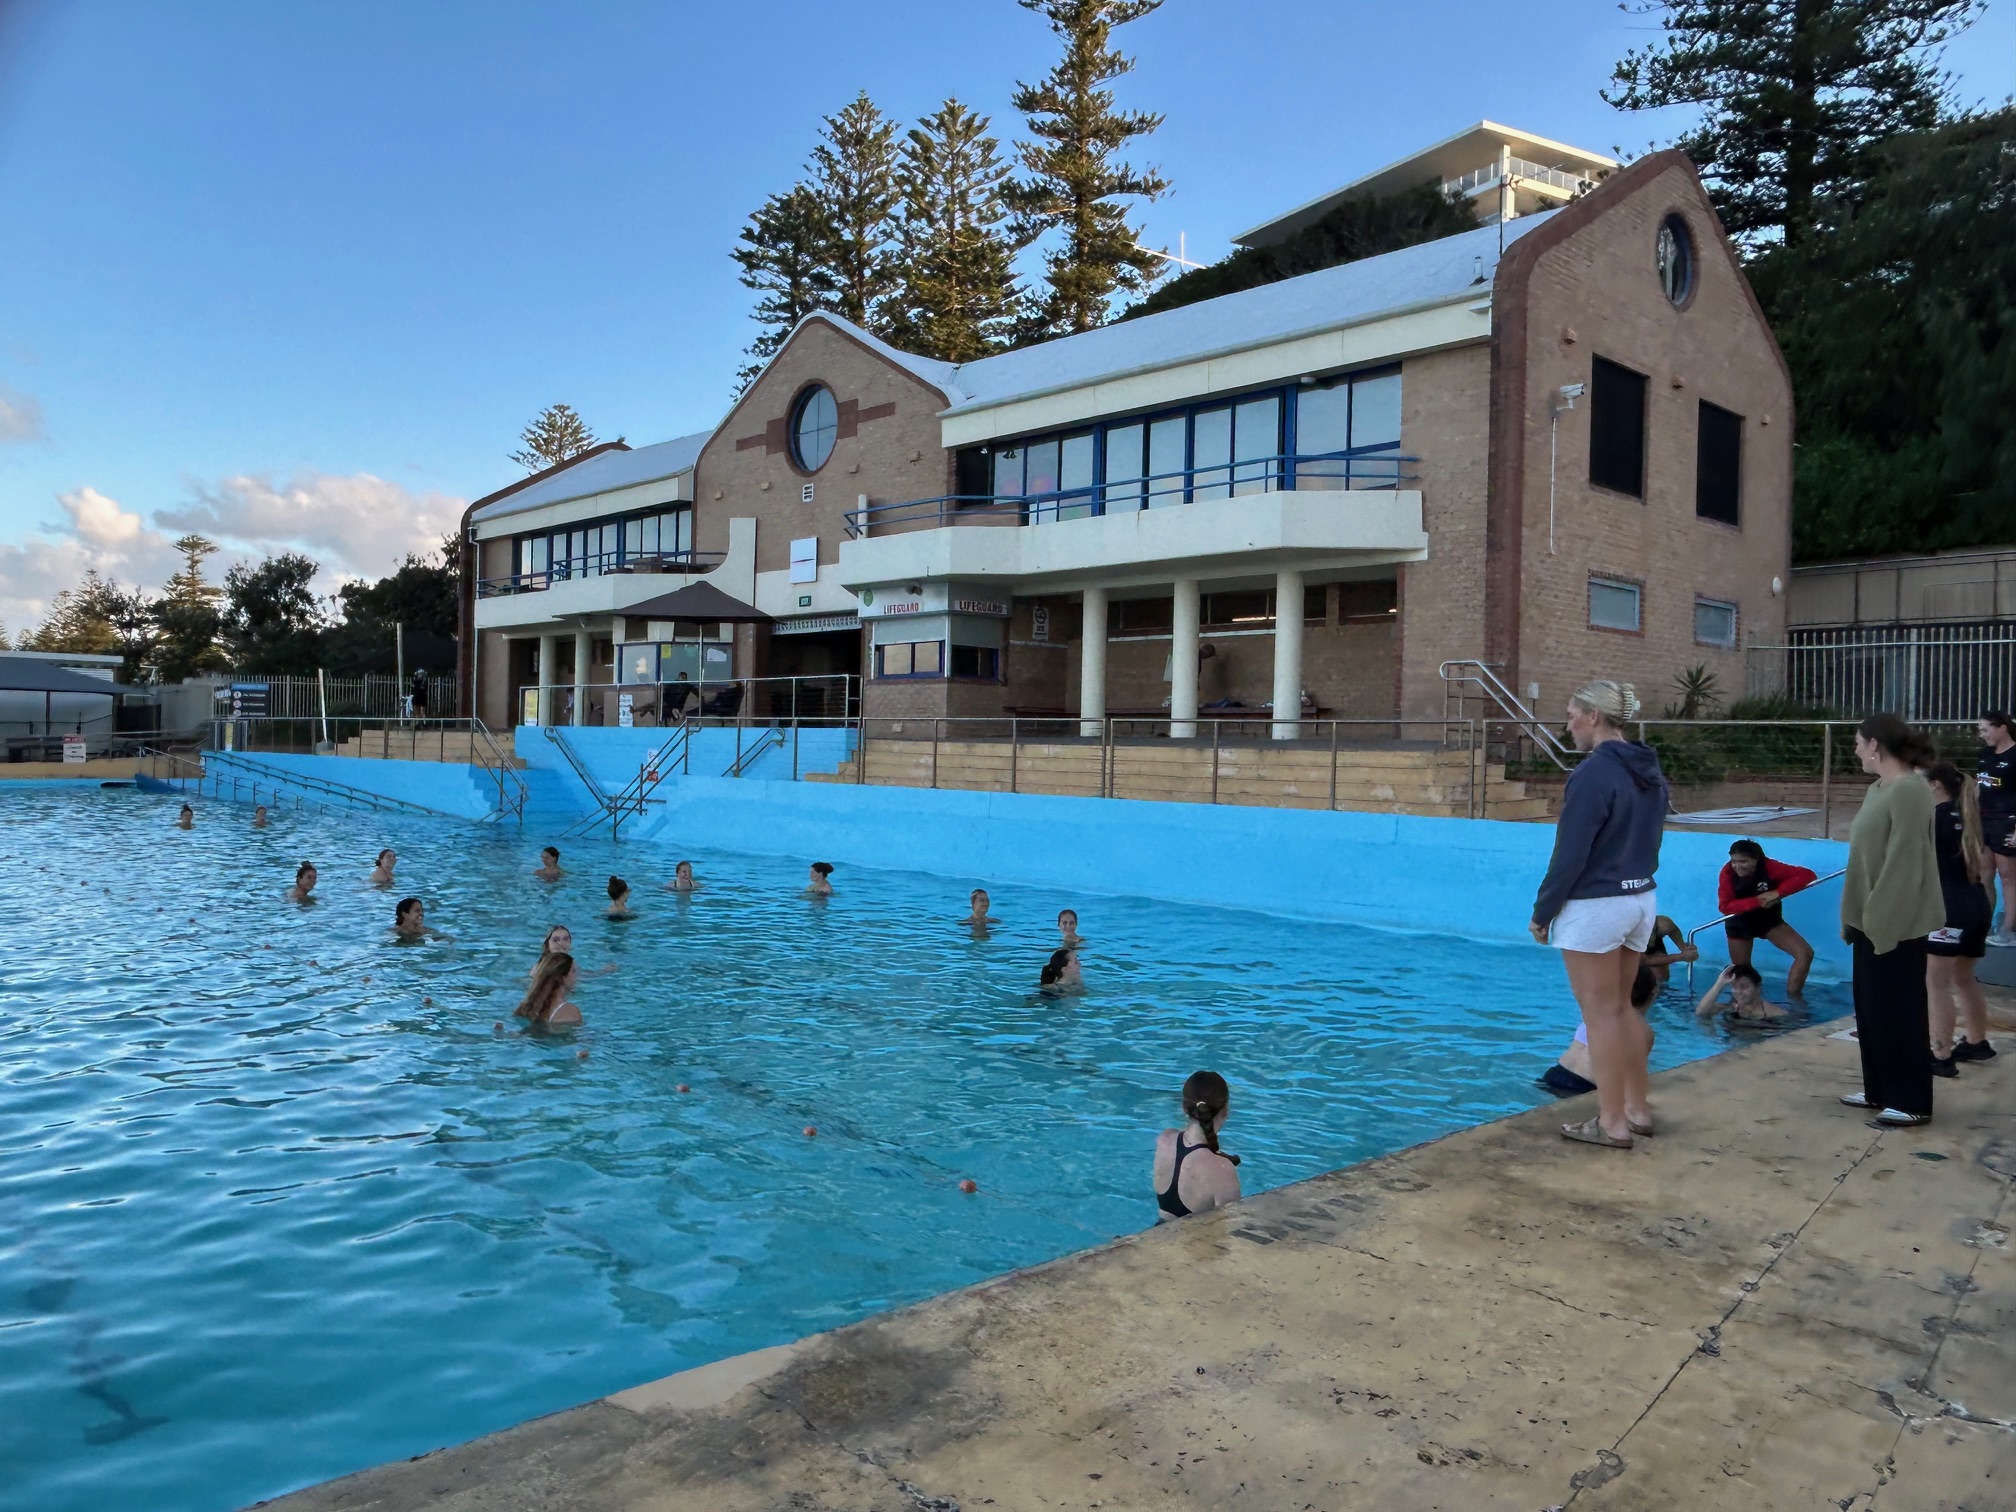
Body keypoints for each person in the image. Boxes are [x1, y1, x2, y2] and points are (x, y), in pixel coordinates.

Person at [1529, 679, 1669, 1149]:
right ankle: (1637, 1109)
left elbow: (1570, 852)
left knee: (1600, 1015)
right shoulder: (1648, 769)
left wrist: (1543, 911)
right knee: (1622, 1008)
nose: (1567, 725)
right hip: (1639, 898)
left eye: (1571, 714)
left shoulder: (1593, 774)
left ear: (1593, 716)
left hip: (1596, 904)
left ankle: (1611, 1122)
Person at [1839, 713, 1944, 1127]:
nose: (1855, 750)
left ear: (1875, 745)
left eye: (1858, 743)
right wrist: (1856, 916)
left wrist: (1883, 921)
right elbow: (1863, 858)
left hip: (1895, 921)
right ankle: (1879, 1089)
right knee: (1871, 1009)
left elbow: (1904, 863)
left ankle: (1912, 1099)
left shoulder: (1910, 792)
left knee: (1899, 1011)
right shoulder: (1878, 789)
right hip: (1869, 918)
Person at [1925, 762, 1996, 1072]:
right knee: (1963, 978)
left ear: (1936, 785)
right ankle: (1977, 1042)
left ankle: (1939, 1055)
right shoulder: (1966, 815)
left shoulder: (1935, 817)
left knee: (1935, 983)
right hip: (1976, 905)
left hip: (1949, 910)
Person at [1717, 840, 1818, 994]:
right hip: (1739, 923)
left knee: (1805, 953)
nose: (1737, 866)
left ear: (1756, 859)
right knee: (1743, 973)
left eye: (1743, 861)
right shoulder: (1727, 873)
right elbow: (1725, 907)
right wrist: (1758, 901)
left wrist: (1778, 892)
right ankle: (1742, 1007)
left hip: (1769, 920)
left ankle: (1793, 998)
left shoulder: (1769, 867)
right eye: (1734, 861)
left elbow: (1807, 875)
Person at [1541, 964, 1659, 1096]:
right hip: (1584, 1086)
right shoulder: (1642, 1030)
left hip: (1555, 1074)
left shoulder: (1596, 1011)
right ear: (1654, 993)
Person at [1152, 1071, 1242, 1221]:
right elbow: (1231, 1226)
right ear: (1226, 1111)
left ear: (1184, 1108)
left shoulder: (1165, 1140)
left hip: (1159, 1232)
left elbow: (1189, 1138)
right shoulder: (1223, 1170)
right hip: (1193, 1243)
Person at [1975, 711, 2016, 945]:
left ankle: (2008, 930)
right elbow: (1980, 787)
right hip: (1985, 820)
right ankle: (1984, 924)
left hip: (2007, 820)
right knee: (1985, 874)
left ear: (2001, 727)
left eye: (1985, 729)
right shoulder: (1986, 755)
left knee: (2009, 877)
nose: (1982, 735)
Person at [1695, 963, 1790, 1023]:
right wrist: (1719, 983)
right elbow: (1700, 1013)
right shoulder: (1728, 1008)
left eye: (1744, 987)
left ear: (1758, 987)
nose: (1739, 992)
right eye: (1734, 987)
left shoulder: (1775, 1013)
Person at [516, 952, 582, 1029]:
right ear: (562, 977)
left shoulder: (528, 1006)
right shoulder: (569, 1010)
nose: (577, 975)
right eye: (573, 971)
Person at [1641, 915, 1698, 986]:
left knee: (1660, 978)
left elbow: (1672, 930)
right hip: (1632, 955)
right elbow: (1643, 960)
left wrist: (1683, 948)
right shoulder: (1626, 935)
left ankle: (1662, 989)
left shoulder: (1662, 924)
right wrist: (1681, 956)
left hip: (1648, 938)